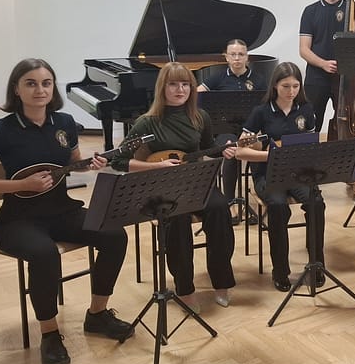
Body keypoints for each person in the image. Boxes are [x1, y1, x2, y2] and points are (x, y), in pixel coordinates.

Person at [0, 58, 132, 364]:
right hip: (17, 220)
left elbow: (70, 164)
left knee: (115, 234)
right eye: (31, 83)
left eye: (46, 83)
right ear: (17, 89)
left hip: (61, 210)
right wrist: (20, 185)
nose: (40, 90)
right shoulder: (0, 131)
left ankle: (97, 314)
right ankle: (49, 334)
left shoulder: (64, 122)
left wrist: (90, 164)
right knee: (45, 254)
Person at [112, 62, 236, 310]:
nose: (180, 90)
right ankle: (184, 288)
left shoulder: (200, 117)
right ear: (162, 88)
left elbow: (207, 148)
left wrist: (224, 151)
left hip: (195, 181)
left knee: (220, 208)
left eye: (185, 84)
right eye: (173, 84)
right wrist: (155, 167)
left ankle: (221, 280)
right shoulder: (147, 122)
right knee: (177, 219)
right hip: (164, 185)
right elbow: (118, 161)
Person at [232, 62, 325, 292]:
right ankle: (280, 270)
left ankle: (317, 265)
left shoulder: (306, 109)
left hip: (298, 173)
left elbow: (311, 144)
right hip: (268, 174)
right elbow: (240, 151)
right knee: (278, 206)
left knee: (316, 202)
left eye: (295, 86)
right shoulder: (261, 112)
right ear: (275, 85)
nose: (291, 91)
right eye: (285, 86)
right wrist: (269, 156)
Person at [197, 38, 267, 224]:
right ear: (226, 57)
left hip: (249, 129)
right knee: (230, 149)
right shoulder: (217, 77)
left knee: (255, 148)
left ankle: (261, 193)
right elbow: (197, 95)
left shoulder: (258, 79)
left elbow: (267, 105)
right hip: (224, 129)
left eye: (241, 54)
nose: (237, 58)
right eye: (233, 54)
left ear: (247, 57)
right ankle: (230, 202)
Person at [299, 0, 355, 134]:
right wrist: (323, 64)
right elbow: (304, 50)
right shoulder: (310, 11)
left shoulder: (349, 7)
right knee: (311, 123)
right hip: (316, 77)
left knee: (345, 123)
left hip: (344, 76)